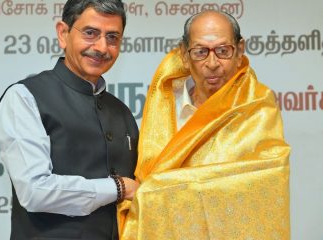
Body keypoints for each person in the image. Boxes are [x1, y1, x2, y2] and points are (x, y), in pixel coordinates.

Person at [118, 10, 290, 240]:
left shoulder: (257, 106)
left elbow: (264, 183)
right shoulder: (166, 103)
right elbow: (147, 173)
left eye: (223, 51)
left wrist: (151, 191)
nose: (212, 63)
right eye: (200, 52)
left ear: (240, 52)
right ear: (184, 55)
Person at [0, 0, 140, 239]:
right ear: (63, 33)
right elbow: (35, 190)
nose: (102, 47)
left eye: (113, 37)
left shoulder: (121, 111)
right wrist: (118, 188)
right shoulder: (25, 97)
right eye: (91, 33)